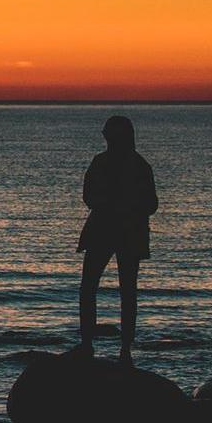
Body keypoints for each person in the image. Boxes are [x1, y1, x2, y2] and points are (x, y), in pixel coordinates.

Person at [77, 115, 158, 365]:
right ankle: (115, 347)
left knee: (95, 288)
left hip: (112, 231)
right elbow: (151, 204)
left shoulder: (109, 163)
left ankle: (99, 345)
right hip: (121, 232)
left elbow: (89, 196)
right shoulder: (137, 165)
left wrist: (115, 206)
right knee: (122, 290)